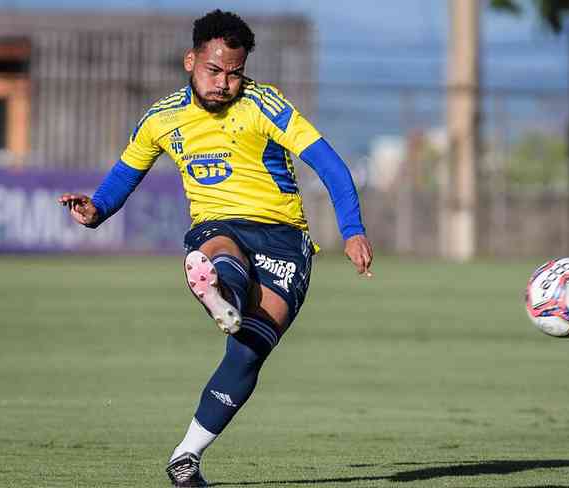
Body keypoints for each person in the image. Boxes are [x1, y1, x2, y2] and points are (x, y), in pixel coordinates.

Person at [58, 9, 373, 487]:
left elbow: (330, 166)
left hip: (287, 239)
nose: (224, 83)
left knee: (248, 353)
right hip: (219, 227)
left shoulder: (265, 105)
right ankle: (217, 284)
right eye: (214, 70)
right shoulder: (161, 119)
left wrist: (351, 230)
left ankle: (185, 457)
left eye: (234, 73)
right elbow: (126, 174)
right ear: (191, 61)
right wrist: (96, 209)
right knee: (221, 251)